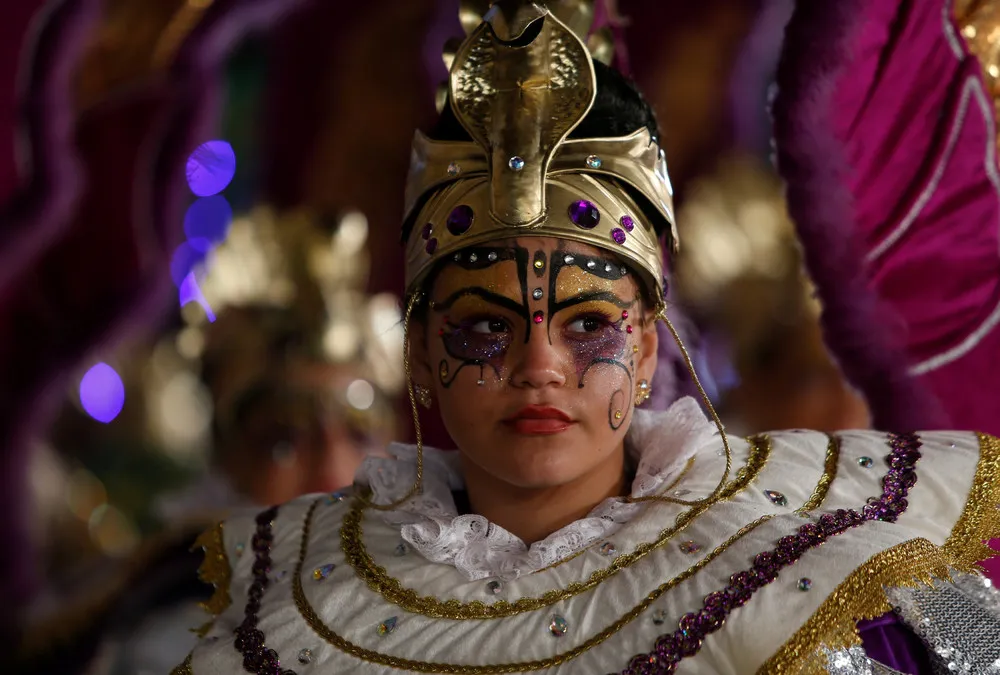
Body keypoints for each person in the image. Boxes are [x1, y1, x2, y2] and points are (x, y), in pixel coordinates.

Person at [174, 2, 1000, 673]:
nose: (540, 366)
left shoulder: (818, 589)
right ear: (418, 356)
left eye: (589, 326)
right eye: (485, 327)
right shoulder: (291, 617)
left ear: (645, 351)